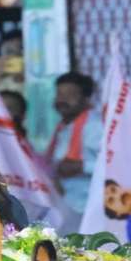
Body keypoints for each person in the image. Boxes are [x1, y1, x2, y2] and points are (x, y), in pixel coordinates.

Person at [45, 72, 103, 215]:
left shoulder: (96, 126)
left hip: (90, 210)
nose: (62, 100)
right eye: (59, 94)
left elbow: (116, 166)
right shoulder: (62, 127)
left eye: (70, 95)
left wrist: (82, 166)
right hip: (66, 208)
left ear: (86, 98)